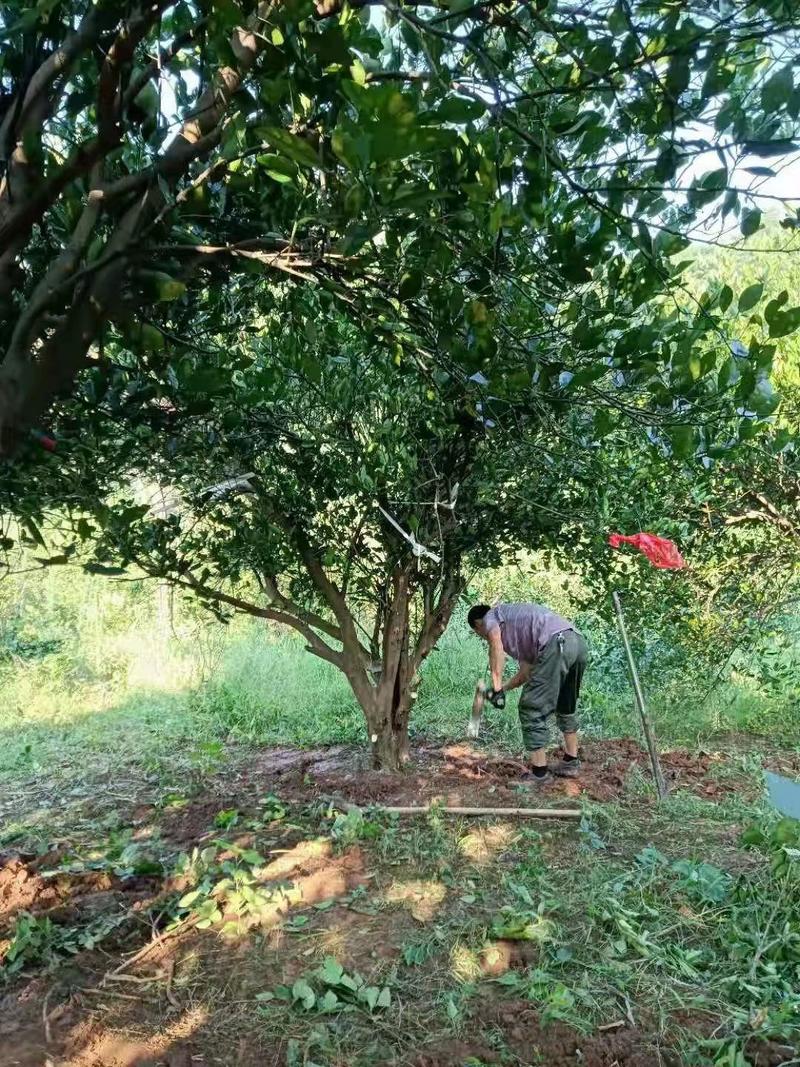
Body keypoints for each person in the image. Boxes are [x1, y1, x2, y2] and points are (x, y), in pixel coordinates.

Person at [467, 601, 588, 784]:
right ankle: (571, 762)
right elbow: (526, 673)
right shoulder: (521, 631)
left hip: (557, 644)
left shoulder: (490, 618)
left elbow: (495, 647)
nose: (482, 637)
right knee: (566, 704)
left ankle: (539, 774)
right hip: (576, 642)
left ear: (478, 624)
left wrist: (497, 685)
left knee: (530, 707)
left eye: (478, 634)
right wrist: (502, 689)